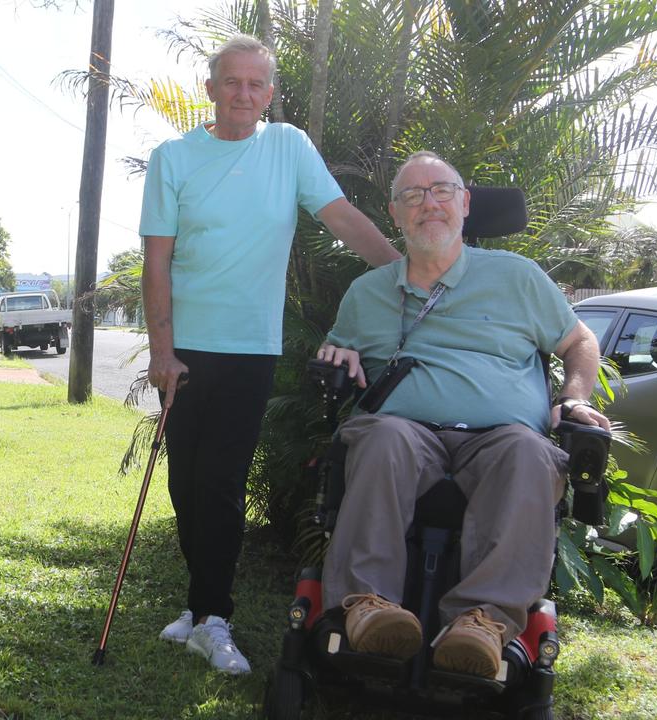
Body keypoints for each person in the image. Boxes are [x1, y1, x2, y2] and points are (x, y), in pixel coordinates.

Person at [139, 34, 401, 675]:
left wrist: (405, 270)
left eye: (257, 84)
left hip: (251, 347)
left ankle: (212, 616)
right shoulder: (173, 157)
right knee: (184, 486)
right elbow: (157, 260)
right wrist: (162, 351)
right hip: (187, 351)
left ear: (270, 93)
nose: (244, 94)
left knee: (221, 483)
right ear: (211, 89)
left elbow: (341, 217)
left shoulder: (288, 147)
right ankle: (200, 609)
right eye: (233, 82)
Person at [315, 150, 611, 679]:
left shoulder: (517, 277)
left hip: (501, 436)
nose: (429, 204)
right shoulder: (368, 293)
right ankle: (367, 605)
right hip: (406, 431)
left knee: (528, 453)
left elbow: (579, 341)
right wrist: (339, 356)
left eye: (442, 191)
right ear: (396, 213)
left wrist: (575, 396)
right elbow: (337, 351)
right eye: (413, 195)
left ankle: (483, 622)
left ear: (465, 204)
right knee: (382, 438)